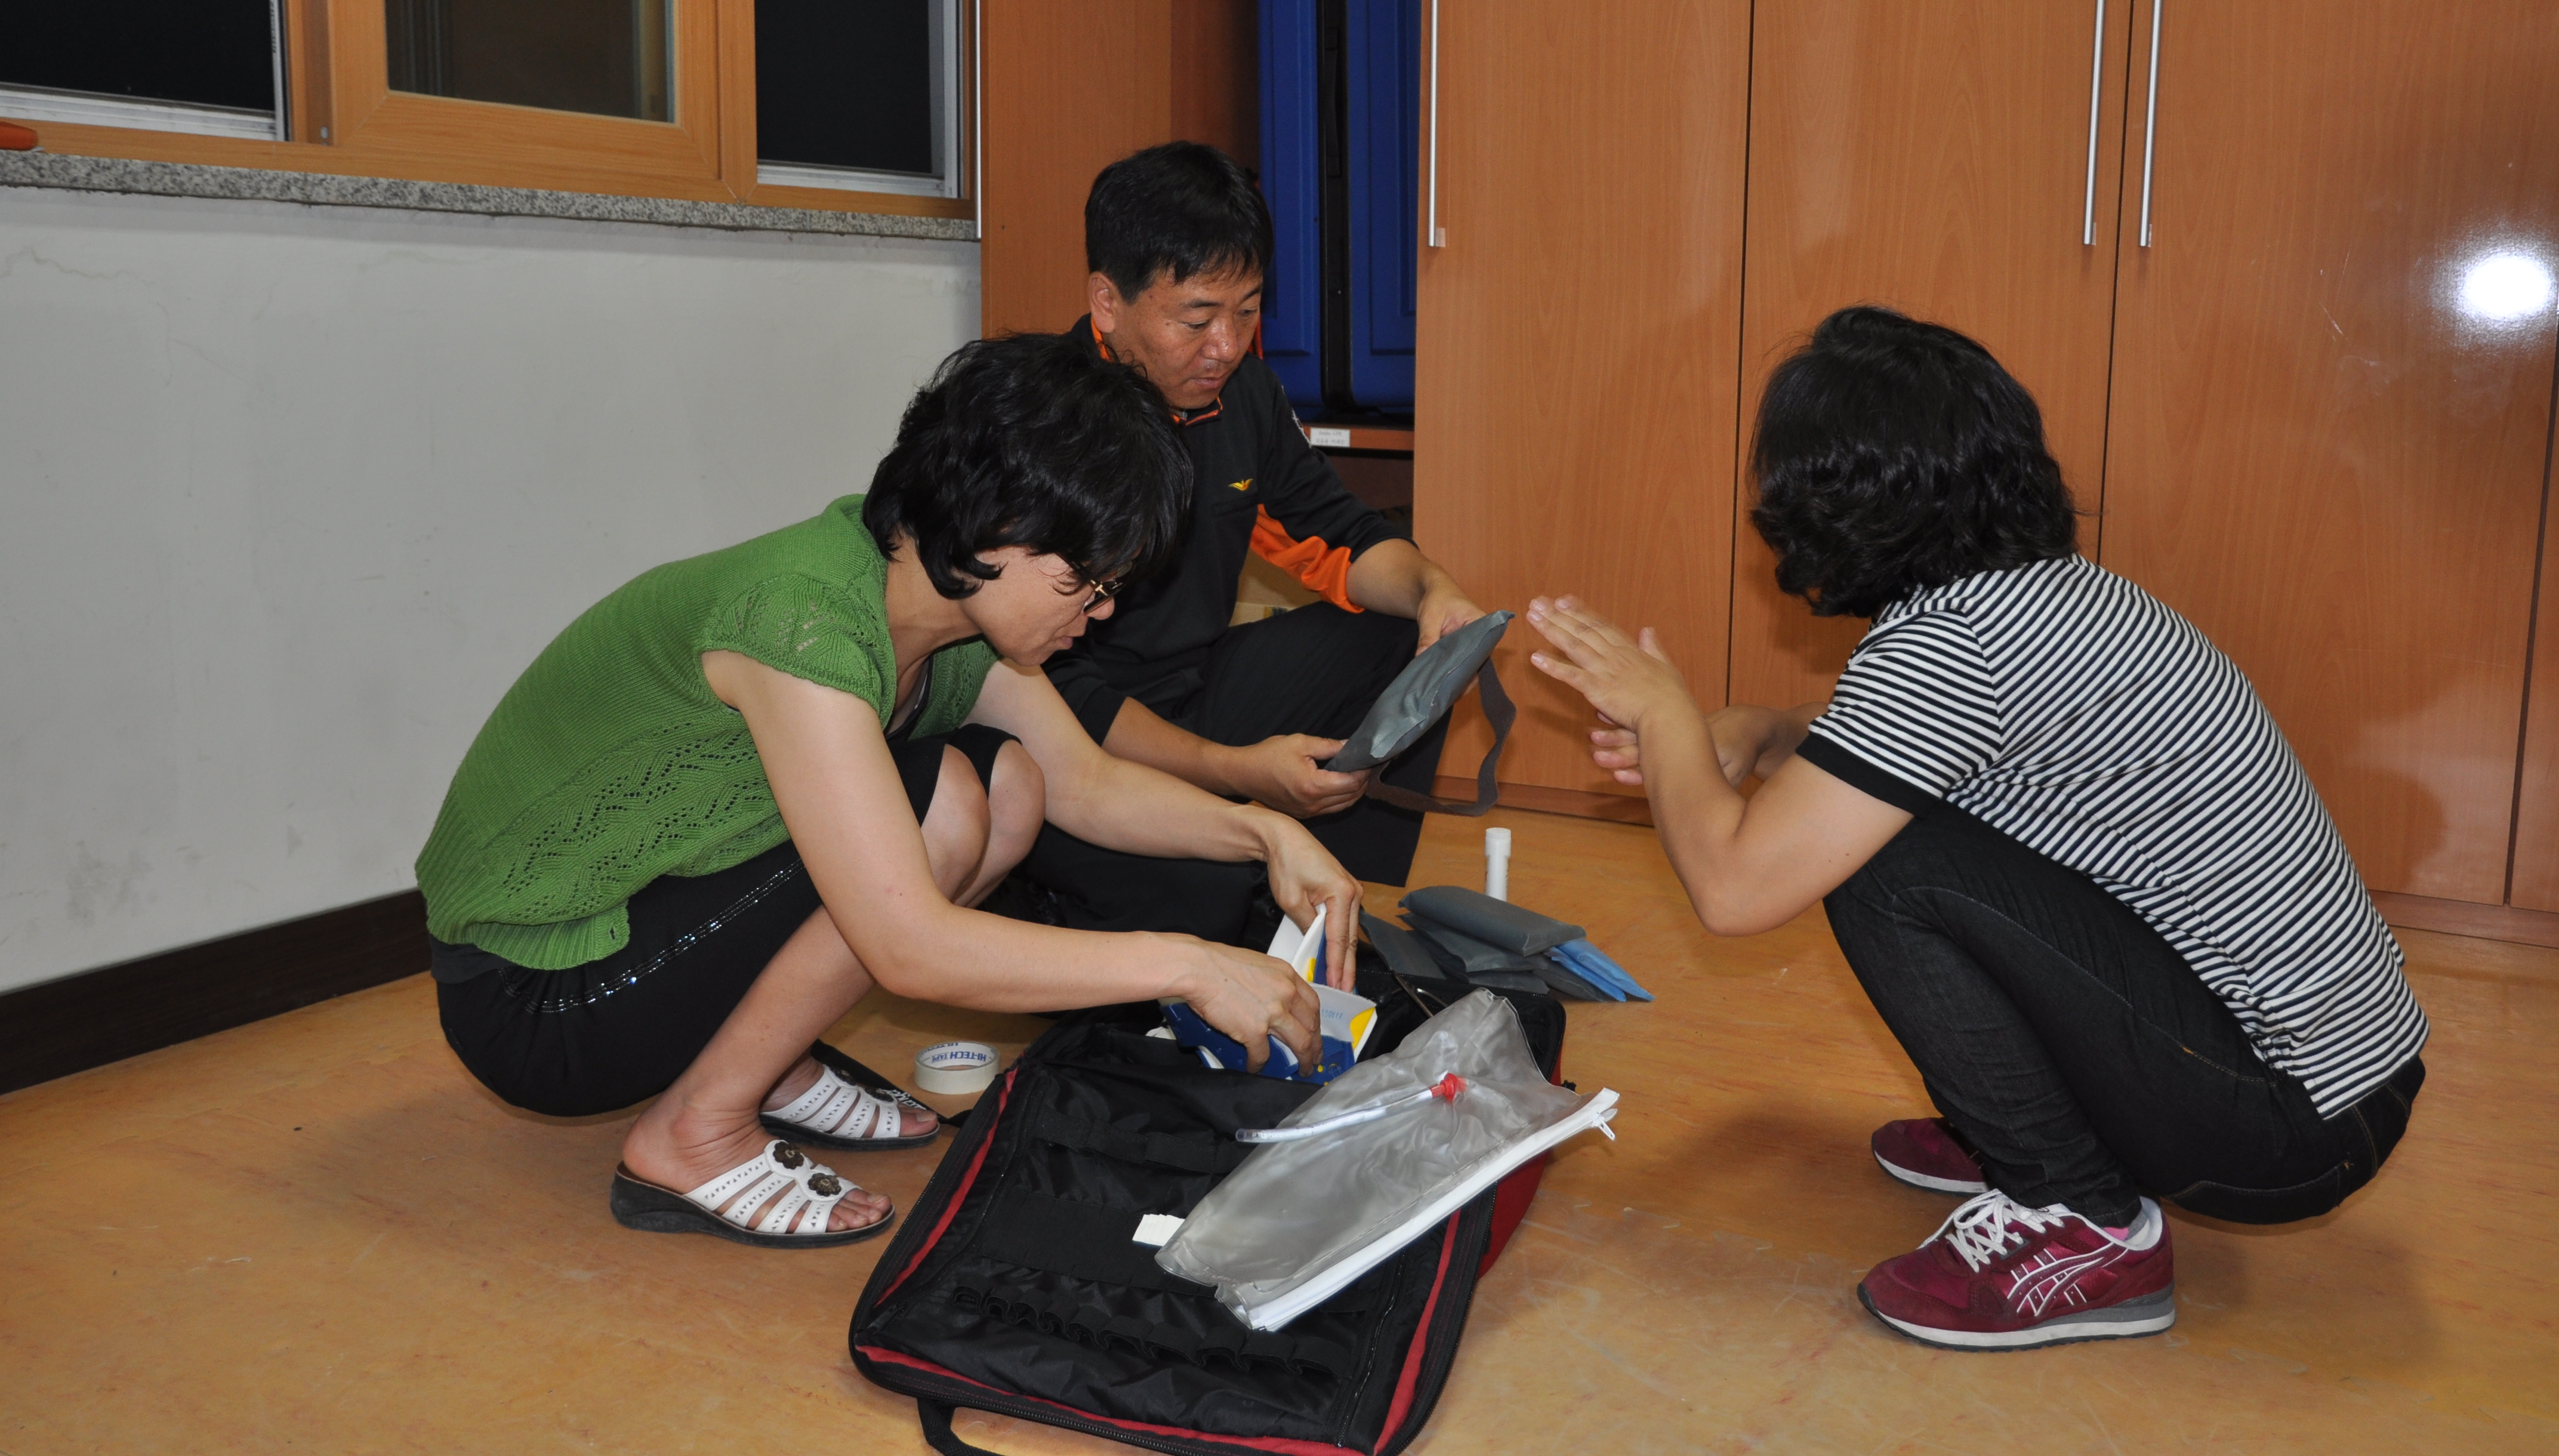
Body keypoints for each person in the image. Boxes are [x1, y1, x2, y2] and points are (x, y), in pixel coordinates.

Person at [1522, 307, 2427, 1350]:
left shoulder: (1954, 646)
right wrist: (1767, 733)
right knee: (1891, 827)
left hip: (2285, 1123)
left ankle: (2079, 1209)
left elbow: (1737, 889)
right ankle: (2041, 1126)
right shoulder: (2037, 599)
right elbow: (1907, 758)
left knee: (1886, 866)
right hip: (2334, 1080)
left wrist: (1664, 715)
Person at [418, 332, 1362, 1250]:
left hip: (652, 923)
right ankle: (694, 1131)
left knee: (1012, 784)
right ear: (996, 528)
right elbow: (909, 947)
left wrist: (1265, 833)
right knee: (944, 802)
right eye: (1085, 580)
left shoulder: (938, 604)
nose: (1102, 609)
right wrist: (1191, 967)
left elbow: (1088, 785)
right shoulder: (805, 625)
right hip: (534, 994)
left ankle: (766, 1062)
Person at [1016, 141, 1490, 943]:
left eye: (1248, 311)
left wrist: (1431, 591)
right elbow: (1054, 690)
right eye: (1197, 319)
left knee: (1402, 634)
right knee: (1200, 892)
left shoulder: (1245, 396)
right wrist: (1237, 772)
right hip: (1072, 736)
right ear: (1107, 302)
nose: (1227, 346)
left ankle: (1331, 910)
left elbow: (1338, 532)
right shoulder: (1042, 422)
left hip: (1195, 691)